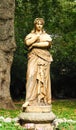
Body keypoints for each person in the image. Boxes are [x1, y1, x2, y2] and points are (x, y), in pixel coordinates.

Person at [22, 18, 53, 108]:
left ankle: (42, 99)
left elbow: (47, 44)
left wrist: (34, 44)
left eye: (41, 24)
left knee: (43, 78)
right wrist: (36, 37)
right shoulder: (30, 35)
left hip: (44, 58)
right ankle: (29, 100)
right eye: (37, 24)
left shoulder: (46, 35)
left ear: (43, 25)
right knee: (31, 76)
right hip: (33, 57)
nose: (39, 25)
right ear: (35, 25)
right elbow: (27, 43)